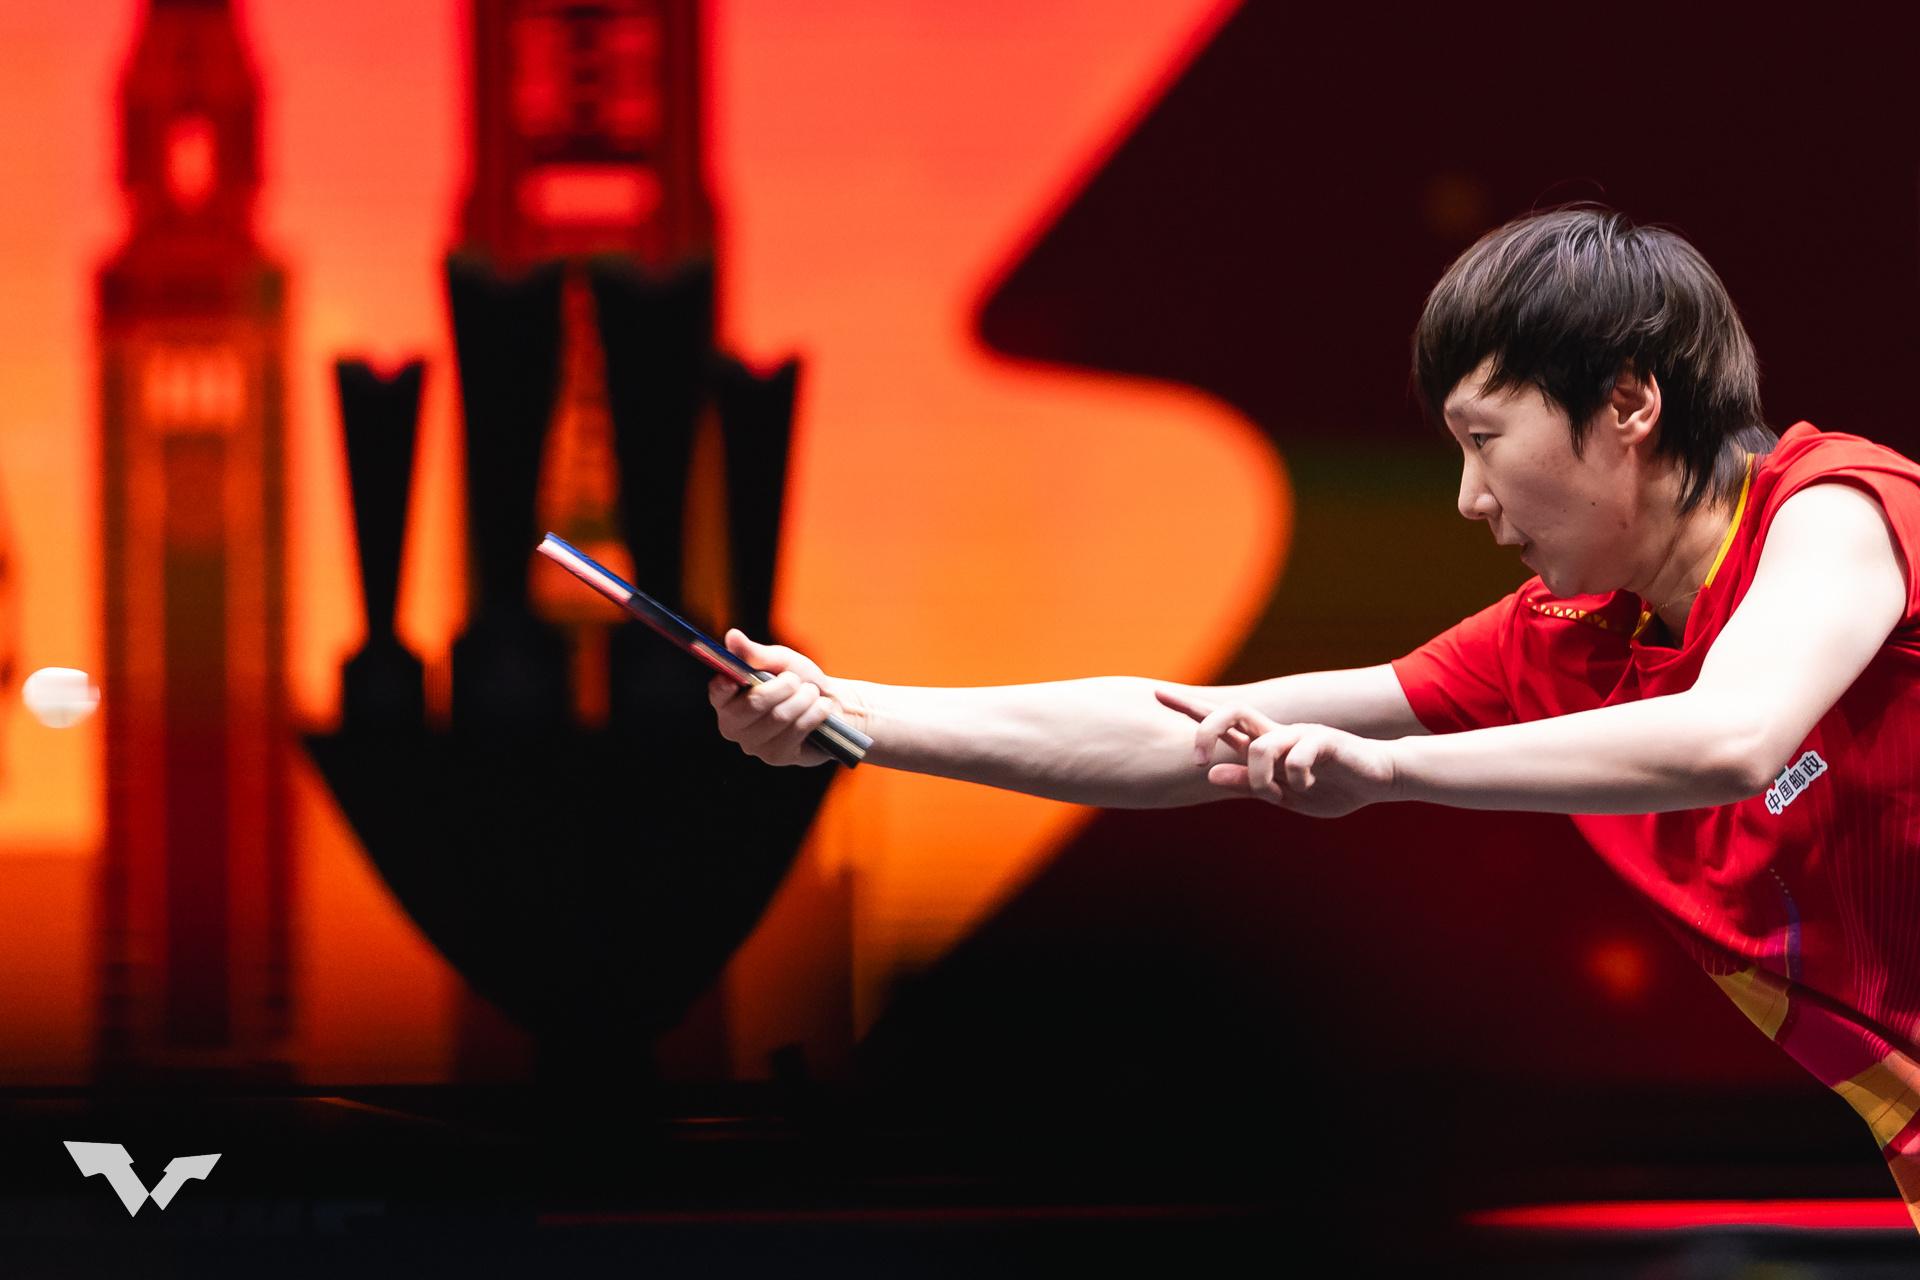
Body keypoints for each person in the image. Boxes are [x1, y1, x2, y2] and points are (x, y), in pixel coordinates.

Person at [708, 206, 1920, 1227]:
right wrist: (851, 712)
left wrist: (1392, 774)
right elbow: (1189, 729)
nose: (1469, 497)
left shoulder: (1840, 510)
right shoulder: (1559, 640)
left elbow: (1727, 738)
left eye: (1484, 439)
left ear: (1630, 401)